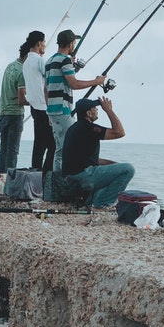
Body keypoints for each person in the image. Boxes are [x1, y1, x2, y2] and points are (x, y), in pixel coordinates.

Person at [45, 29, 106, 172]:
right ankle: (64, 182)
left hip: (52, 110)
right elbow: (74, 84)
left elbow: (46, 89)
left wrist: (48, 111)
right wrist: (96, 81)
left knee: (60, 149)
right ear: (71, 44)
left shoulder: (50, 61)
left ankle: (57, 181)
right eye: (74, 42)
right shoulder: (64, 61)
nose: (74, 45)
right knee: (69, 147)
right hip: (62, 109)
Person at [61, 96, 135, 209]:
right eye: (95, 108)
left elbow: (89, 160)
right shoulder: (88, 128)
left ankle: (93, 200)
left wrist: (114, 165)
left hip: (71, 179)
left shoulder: (74, 128)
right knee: (129, 169)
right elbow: (119, 132)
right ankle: (103, 203)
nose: (97, 110)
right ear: (89, 113)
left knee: (118, 169)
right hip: (83, 177)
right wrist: (109, 110)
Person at [20, 30, 53, 170]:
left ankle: (36, 172)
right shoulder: (39, 61)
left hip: (34, 107)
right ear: (39, 43)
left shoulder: (26, 62)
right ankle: (46, 175)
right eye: (44, 42)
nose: (45, 45)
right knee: (53, 145)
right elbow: (49, 82)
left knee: (39, 144)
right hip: (44, 107)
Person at [0, 38, 29, 173]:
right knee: (13, 151)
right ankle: (10, 181)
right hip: (14, 114)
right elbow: (21, 100)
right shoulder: (22, 72)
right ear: (27, 55)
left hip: (2, 112)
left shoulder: (10, 66)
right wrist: (36, 102)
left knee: (4, 149)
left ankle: (0, 178)